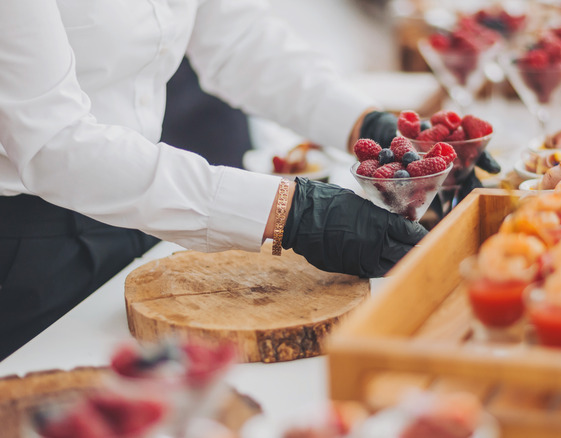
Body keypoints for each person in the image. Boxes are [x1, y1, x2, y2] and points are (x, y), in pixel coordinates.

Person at [0, 1, 441, 360]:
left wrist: (372, 128)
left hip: (142, 217)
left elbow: (239, 43)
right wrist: (291, 210)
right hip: (30, 252)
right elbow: (50, 143)